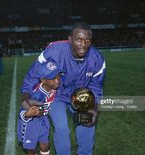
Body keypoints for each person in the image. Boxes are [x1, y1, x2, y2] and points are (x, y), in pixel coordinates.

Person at [21, 22, 106, 155]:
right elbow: (33, 75)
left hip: (81, 97)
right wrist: (25, 97)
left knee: (87, 124)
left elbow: (96, 87)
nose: (83, 44)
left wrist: (94, 108)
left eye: (87, 40)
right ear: (70, 40)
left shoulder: (97, 59)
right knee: (62, 128)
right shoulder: (54, 51)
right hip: (57, 96)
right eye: (79, 39)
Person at [17, 59, 64, 155]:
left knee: (45, 145)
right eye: (53, 77)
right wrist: (27, 114)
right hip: (31, 123)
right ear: (43, 80)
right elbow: (24, 109)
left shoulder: (53, 87)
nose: (57, 80)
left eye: (59, 76)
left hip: (43, 120)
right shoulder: (37, 96)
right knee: (31, 149)